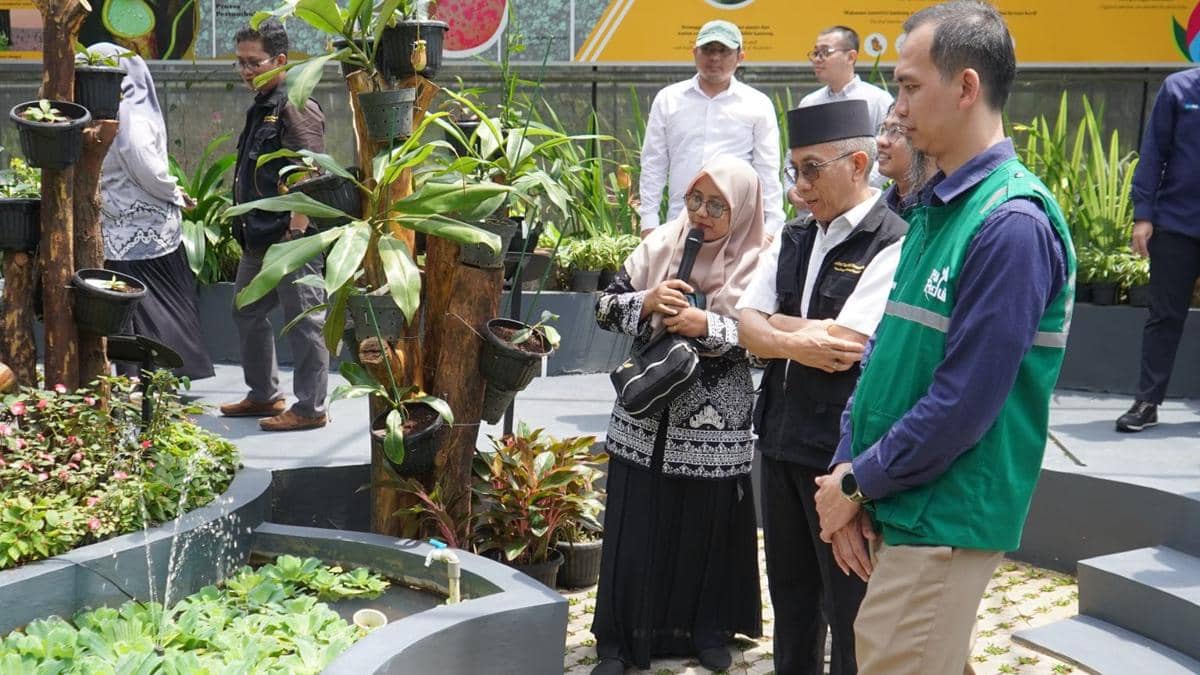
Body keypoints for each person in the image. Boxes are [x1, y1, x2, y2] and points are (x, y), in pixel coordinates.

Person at [813, 3, 1075, 674]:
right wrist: (849, 468)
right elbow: (886, 359)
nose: (895, 107)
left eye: (908, 85)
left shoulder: (1009, 223)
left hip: (946, 514)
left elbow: (964, 402)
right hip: (913, 507)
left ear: (965, 87)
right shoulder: (939, 210)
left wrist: (856, 483)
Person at [737, 99, 907, 675]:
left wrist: (776, 327)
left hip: (833, 454)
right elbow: (744, 326)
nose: (799, 187)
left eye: (812, 170)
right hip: (778, 438)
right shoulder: (793, 235)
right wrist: (790, 336)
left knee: (847, 606)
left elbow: (846, 349)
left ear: (857, 163)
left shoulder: (892, 241)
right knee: (790, 598)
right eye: (794, 171)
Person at [591, 155, 767, 675]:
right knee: (635, 531)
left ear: (741, 211)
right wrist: (647, 300)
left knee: (704, 533)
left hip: (714, 432)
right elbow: (603, 306)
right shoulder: (662, 243)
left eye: (718, 205)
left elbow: (766, 347)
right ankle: (619, 644)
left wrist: (705, 325)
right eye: (696, 200)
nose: (703, 215)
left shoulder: (761, 262)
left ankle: (707, 633)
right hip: (643, 420)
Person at [219, 18, 329, 432]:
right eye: (241, 63)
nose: (246, 71)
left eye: (254, 62)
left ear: (280, 60)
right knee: (246, 311)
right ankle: (264, 394)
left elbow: (311, 172)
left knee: (304, 321)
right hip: (258, 236)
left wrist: (297, 231)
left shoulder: (295, 105)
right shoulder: (262, 105)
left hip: (290, 238)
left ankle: (312, 408)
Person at [95, 42, 215, 382]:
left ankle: (133, 376)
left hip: (111, 227)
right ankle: (162, 375)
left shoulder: (93, 110)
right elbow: (143, 164)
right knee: (160, 305)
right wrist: (173, 191)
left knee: (126, 307)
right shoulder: (132, 113)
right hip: (146, 229)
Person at [638, 20, 784, 236]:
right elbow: (654, 163)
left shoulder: (757, 104)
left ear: (740, 57)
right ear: (695, 52)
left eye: (724, 51)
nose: (715, 58)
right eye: (708, 50)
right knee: (678, 271)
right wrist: (649, 222)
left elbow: (767, 169)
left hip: (736, 225)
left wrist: (771, 226)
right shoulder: (669, 99)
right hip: (680, 222)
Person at [1115, 66, 1200, 432]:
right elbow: (1154, 153)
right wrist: (1143, 215)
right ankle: (1148, 401)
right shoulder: (1178, 88)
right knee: (1164, 316)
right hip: (1177, 223)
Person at [876, 104, 934, 217]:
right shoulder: (881, 206)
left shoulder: (937, 208)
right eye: (883, 129)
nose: (881, 140)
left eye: (895, 131)